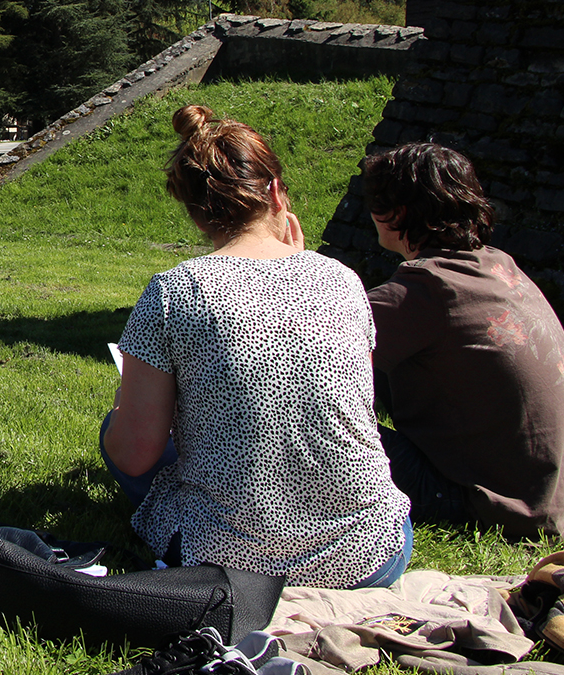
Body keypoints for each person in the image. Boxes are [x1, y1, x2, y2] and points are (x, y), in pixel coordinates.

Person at [100, 105, 410, 589]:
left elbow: (135, 455)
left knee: (115, 429)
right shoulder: (342, 280)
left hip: (228, 565)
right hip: (371, 554)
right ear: (274, 190)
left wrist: (128, 405)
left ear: (195, 212)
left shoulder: (175, 291)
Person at [363, 142, 564, 538]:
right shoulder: (498, 265)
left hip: (488, 505)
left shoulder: (428, 289)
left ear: (398, 212)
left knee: (309, 425)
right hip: (548, 501)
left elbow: (305, 348)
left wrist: (291, 266)